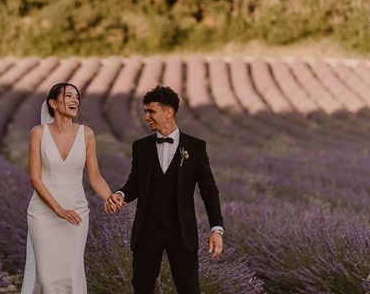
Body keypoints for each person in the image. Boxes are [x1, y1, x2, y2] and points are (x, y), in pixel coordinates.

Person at [105, 85, 224, 294]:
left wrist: (217, 229)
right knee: (142, 288)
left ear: (168, 112)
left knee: (189, 289)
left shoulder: (195, 147)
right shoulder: (140, 147)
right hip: (147, 231)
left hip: (181, 232)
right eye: (145, 112)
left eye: (151, 111)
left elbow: (209, 190)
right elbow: (134, 183)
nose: (146, 117)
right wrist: (121, 195)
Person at [21, 82, 119, 294]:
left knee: (71, 275)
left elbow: (95, 177)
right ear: (53, 103)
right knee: (47, 279)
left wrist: (110, 198)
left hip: (77, 213)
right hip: (43, 213)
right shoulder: (38, 133)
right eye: (68, 96)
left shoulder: (87, 134)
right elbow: (35, 179)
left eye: (77, 97)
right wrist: (59, 210)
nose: (75, 100)